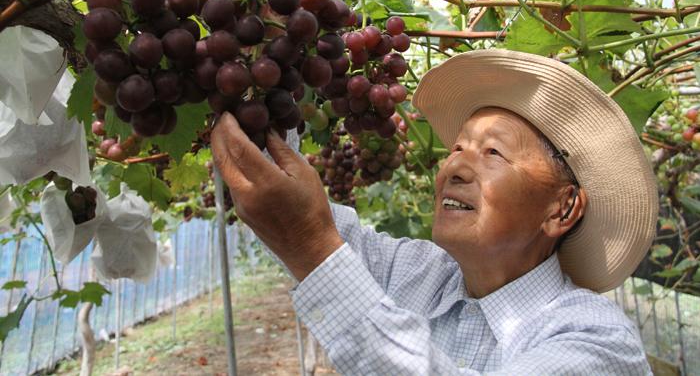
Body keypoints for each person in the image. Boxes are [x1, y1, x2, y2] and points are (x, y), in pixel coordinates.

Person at [211, 49, 657, 375]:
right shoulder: (419, 272)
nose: (455, 166)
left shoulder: (598, 342)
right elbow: (307, 221)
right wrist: (267, 63)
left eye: (494, 153)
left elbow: (313, 239)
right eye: (457, 147)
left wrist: (310, 246)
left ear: (562, 208)